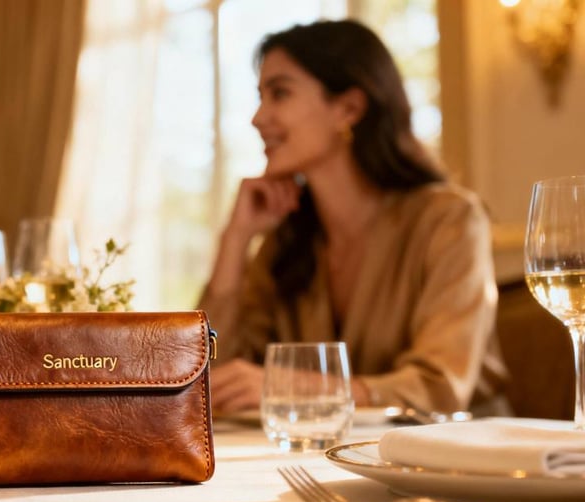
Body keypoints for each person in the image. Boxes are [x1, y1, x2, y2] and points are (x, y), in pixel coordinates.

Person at [198, 19, 508, 415]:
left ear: (349, 109)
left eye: (279, 93)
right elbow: (212, 376)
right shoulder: (288, 240)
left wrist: (289, 386)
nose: (258, 118)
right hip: (328, 462)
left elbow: (440, 388)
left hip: (463, 464)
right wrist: (236, 238)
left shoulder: (450, 220)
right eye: (261, 96)